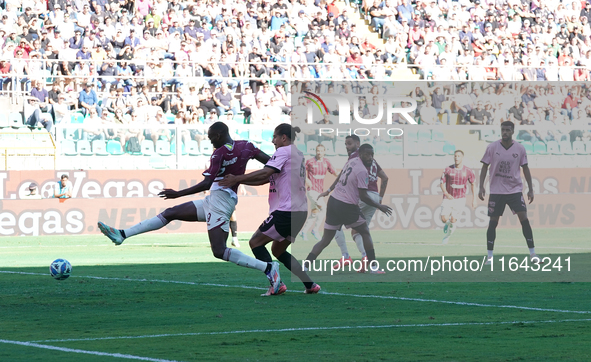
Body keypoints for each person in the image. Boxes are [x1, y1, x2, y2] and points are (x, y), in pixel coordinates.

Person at [97, 122, 284, 295]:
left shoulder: (219, 153)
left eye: (211, 137)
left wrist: (178, 193)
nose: (210, 140)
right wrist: (258, 178)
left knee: (219, 251)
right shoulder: (246, 146)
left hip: (220, 201)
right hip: (217, 199)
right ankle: (122, 234)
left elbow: (207, 183)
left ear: (219, 135)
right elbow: (270, 163)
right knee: (170, 213)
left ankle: (268, 268)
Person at [220, 124, 321, 295]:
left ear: (283, 137)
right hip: (300, 211)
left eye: (274, 137)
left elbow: (265, 173)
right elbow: (266, 178)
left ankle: (277, 283)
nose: (272, 141)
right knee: (278, 250)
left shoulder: (284, 152)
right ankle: (310, 284)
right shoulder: (297, 154)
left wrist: (237, 178)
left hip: (286, 211)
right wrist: (238, 181)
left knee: (255, 242)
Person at [305, 144, 393, 273]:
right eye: (367, 154)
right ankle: (373, 266)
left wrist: (329, 190)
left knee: (325, 239)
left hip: (333, 202)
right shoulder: (362, 171)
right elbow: (363, 196)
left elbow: (340, 176)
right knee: (364, 232)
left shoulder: (351, 161)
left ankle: (305, 266)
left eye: (372, 155)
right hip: (346, 205)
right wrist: (380, 206)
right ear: (360, 154)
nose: (370, 158)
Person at [479, 121, 540, 265]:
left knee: (524, 218)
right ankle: (490, 257)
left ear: (513, 131)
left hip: (515, 190)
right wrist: (481, 186)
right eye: (503, 130)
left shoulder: (519, 148)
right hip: (496, 191)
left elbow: (525, 168)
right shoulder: (492, 147)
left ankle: (533, 254)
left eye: (507, 130)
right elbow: (484, 167)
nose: (504, 132)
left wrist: (530, 188)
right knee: (493, 222)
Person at [299, 143, 337, 241]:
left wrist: (343, 177)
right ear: (316, 151)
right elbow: (301, 171)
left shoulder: (326, 162)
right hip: (312, 190)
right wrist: (307, 180)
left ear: (324, 152)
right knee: (323, 208)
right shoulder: (310, 161)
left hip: (320, 192)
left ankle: (304, 231)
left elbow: (334, 172)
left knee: (314, 213)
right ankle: (315, 230)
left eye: (321, 151)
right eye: (318, 151)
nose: (319, 153)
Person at [440, 150, 477, 244]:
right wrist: (446, 193)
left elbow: (473, 184)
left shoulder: (468, 171)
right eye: (455, 156)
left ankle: (447, 237)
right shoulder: (448, 169)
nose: (456, 158)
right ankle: (447, 225)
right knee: (444, 219)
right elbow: (441, 183)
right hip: (448, 198)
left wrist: (474, 199)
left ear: (462, 158)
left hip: (460, 199)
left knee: (453, 219)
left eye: (458, 156)